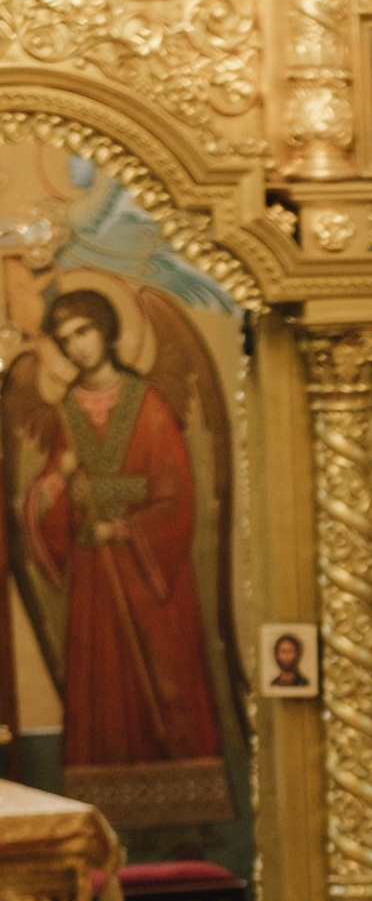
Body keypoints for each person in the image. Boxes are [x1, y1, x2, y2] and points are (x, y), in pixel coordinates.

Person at [20, 285, 226, 778]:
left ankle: (186, 801)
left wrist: (125, 528)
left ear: (107, 331)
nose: (76, 347)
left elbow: (176, 498)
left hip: (150, 574)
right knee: (103, 681)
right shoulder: (68, 410)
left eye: (84, 332)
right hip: (96, 581)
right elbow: (43, 503)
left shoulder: (148, 404)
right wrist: (58, 478)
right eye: (66, 339)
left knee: (165, 674)